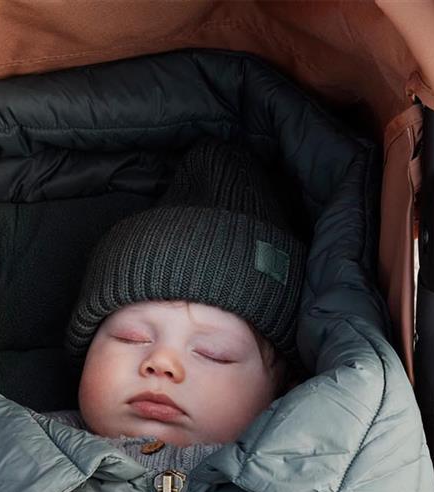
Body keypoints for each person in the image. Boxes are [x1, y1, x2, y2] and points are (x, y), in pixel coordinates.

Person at [44, 138, 308, 471]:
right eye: (131, 337)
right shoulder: (23, 446)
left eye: (213, 353)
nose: (161, 362)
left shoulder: (299, 477)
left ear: (282, 391)